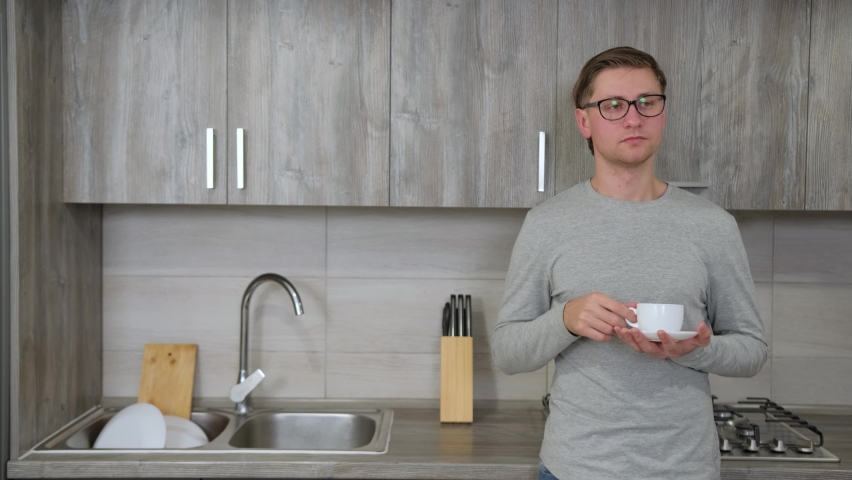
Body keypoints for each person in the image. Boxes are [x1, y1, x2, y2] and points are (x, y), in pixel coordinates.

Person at [491, 46, 768, 480]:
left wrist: (696, 349)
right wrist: (564, 319)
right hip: (575, 468)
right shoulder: (547, 224)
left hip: (686, 470)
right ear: (585, 121)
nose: (634, 118)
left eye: (647, 102)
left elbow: (752, 351)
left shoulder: (713, 226)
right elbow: (508, 351)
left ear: (662, 112)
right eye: (613, 106)